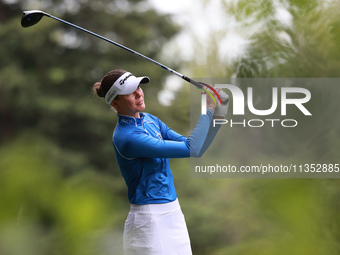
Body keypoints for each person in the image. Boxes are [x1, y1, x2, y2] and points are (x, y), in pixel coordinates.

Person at [93, 69, 229, 255]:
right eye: (130, 92)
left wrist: (220, 113)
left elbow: (197, 147)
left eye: (138, 87)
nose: (139, 93)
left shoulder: (150, 120)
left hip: (173, 212)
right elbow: (192, 148)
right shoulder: (127, 136)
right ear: (115, 102)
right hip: (149, 220)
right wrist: (207, 110)